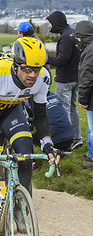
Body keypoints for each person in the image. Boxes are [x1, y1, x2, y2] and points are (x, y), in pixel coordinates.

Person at [0, 37, 60, 236]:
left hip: (11, 110)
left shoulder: (43, 77)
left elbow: (41, 115)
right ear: (16, 65)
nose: (33, 75)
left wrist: (48, 144)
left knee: (26, 155)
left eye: (37, 69)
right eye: (27, 69)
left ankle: (20, 208)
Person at [46, 11, 83, 150]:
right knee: (73, 108)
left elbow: (62, 59)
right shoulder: (72, 33)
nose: (49, 26)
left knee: (64, 110)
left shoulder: (65, 37)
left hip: (66, 80)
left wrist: (46, 59)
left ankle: (66, 142)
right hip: (75, 77)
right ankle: (76, 138)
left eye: (50, 22)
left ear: (56, 22)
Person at [73, 20, 93, 169]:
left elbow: (87, 76)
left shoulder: (90, 51)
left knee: (92, 128)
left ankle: (92, 158)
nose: (77, 41)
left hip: (91, 96)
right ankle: (90, 154)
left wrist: (83, 98)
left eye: (78, 37)